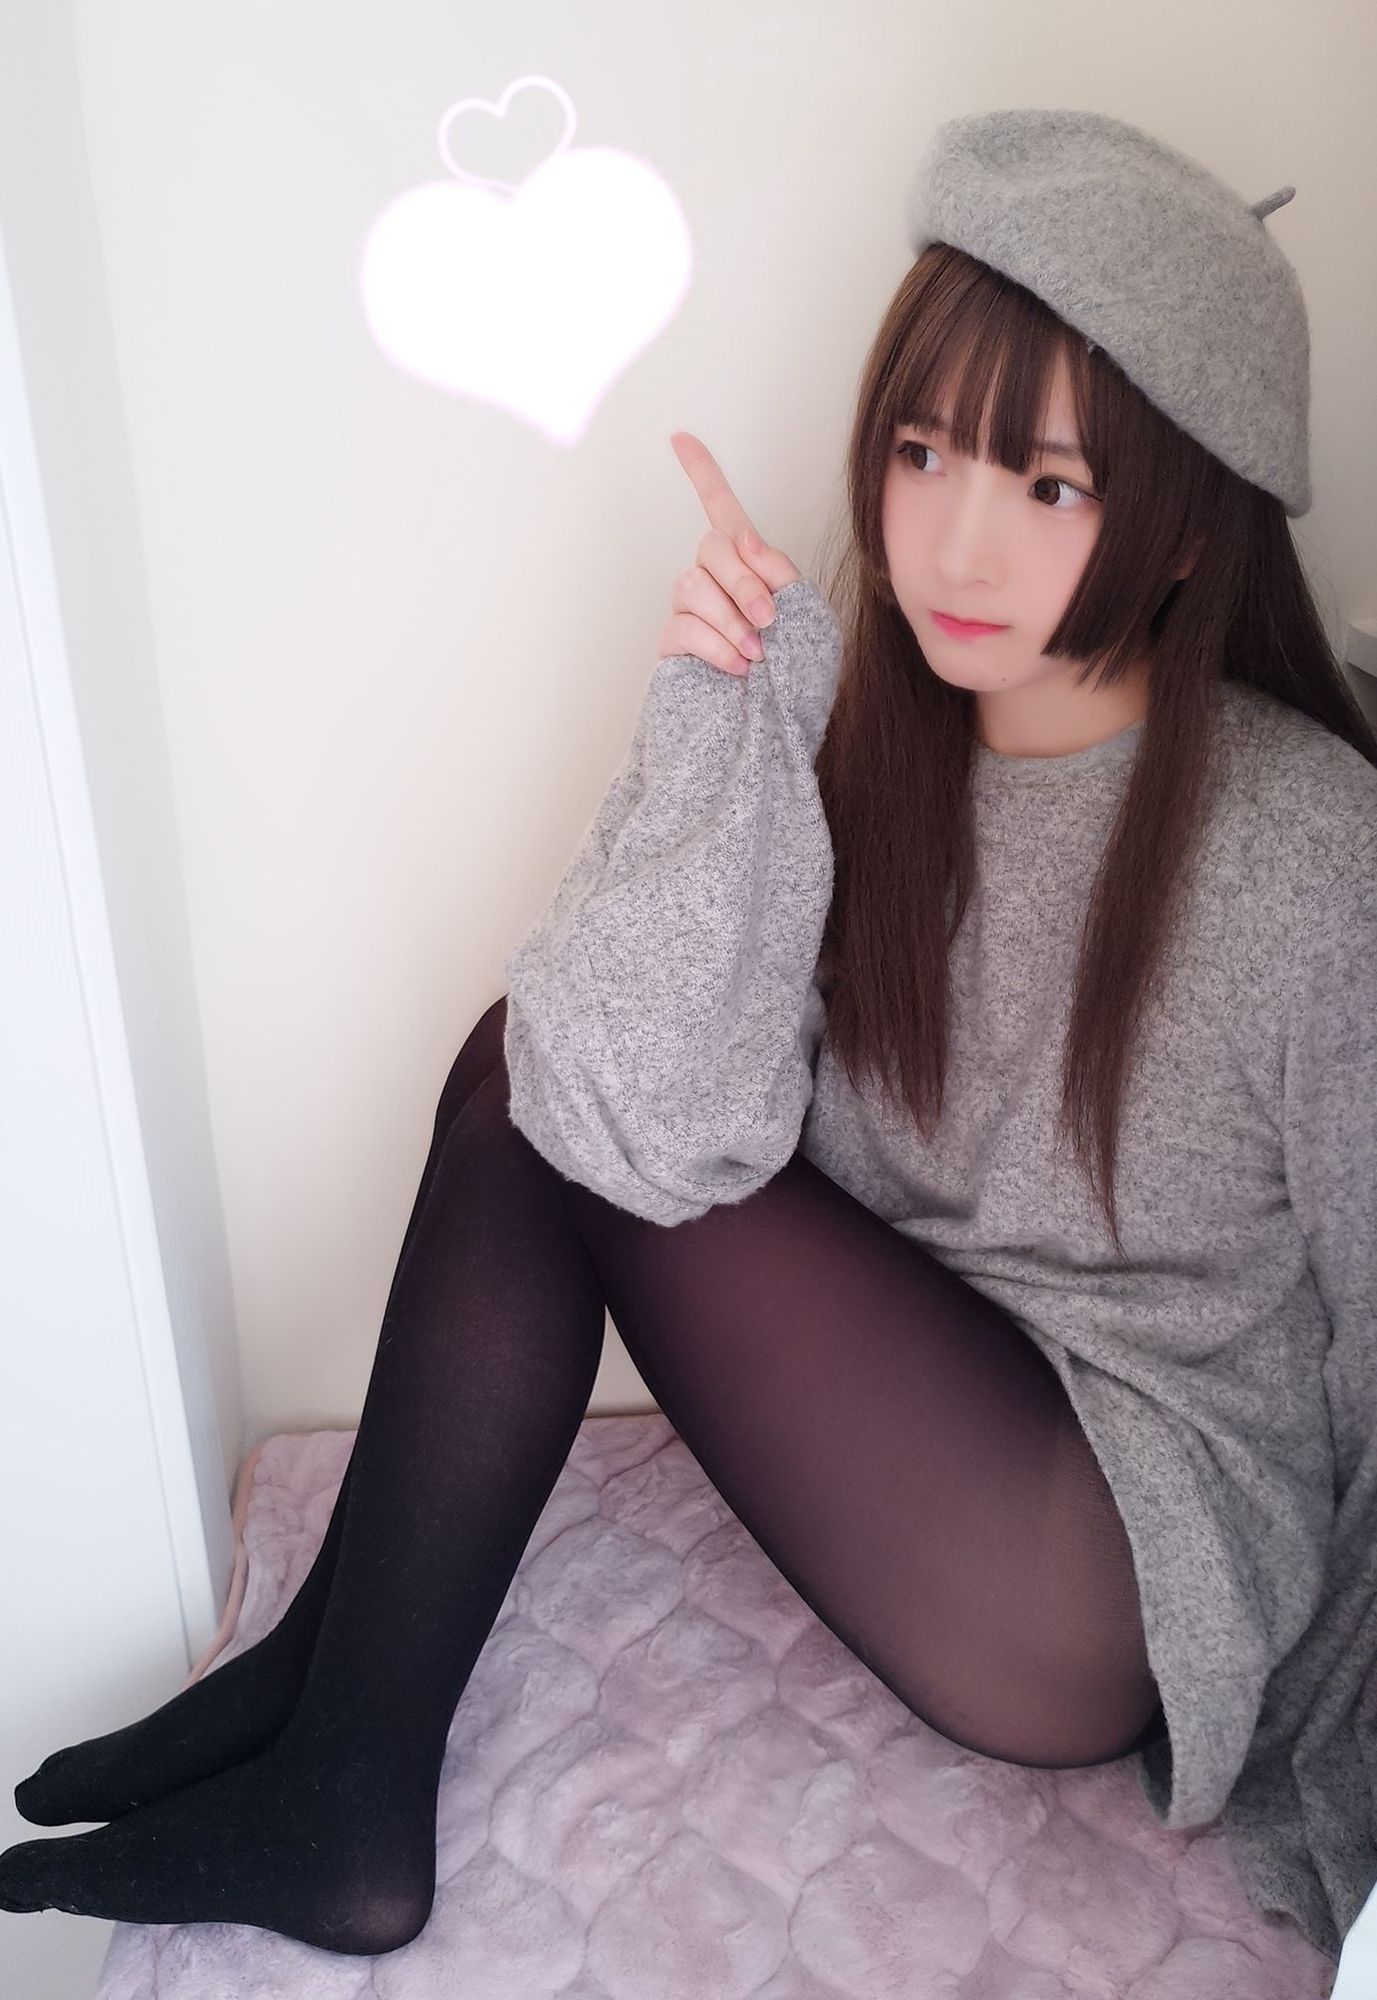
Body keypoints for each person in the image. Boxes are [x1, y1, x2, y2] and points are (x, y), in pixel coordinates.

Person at [2, 107, 1374, 1969]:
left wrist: (1337, 1768)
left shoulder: (1305, 851)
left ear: (1188, 518)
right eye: (920, 452)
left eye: (1048, 487)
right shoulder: (882, 753)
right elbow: (648, 1093)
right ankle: (329, 1703)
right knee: (536, 1066)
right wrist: (722, 721)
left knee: (534, 1079)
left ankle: (341, 1770)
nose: (955, 540)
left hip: (1111, 1571)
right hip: (946, 1405)